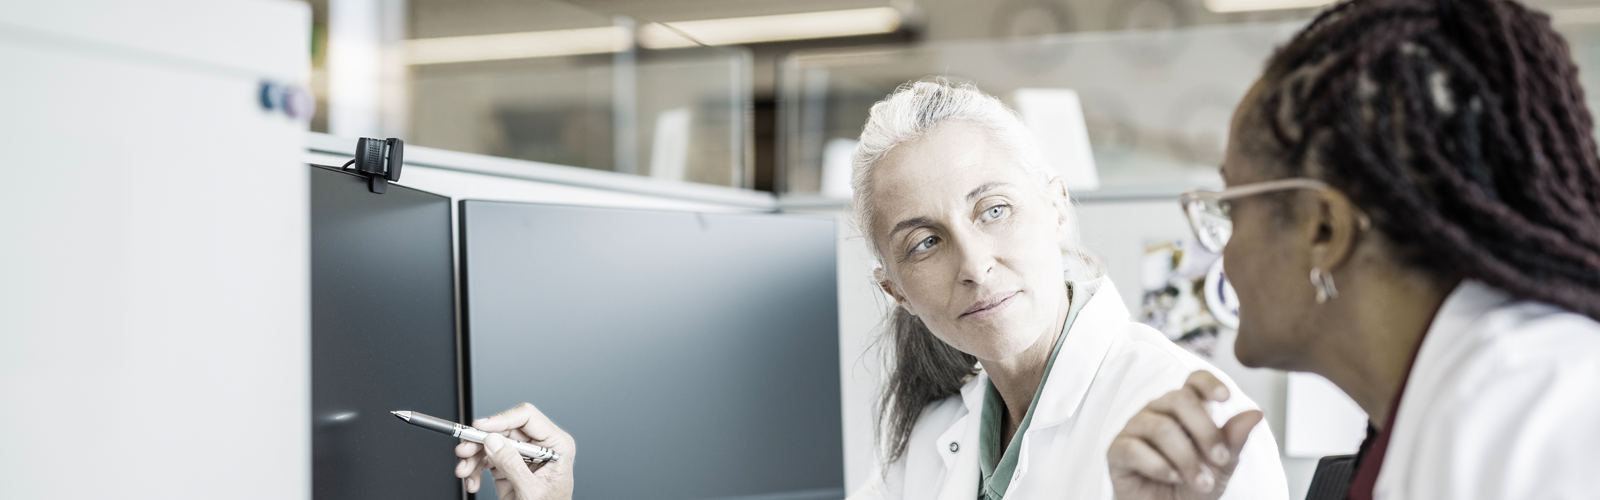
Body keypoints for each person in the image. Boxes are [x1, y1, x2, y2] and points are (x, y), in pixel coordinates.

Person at [454, 80, 1289, 500]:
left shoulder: (1187, 418)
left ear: (1057, 203)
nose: (973, 262)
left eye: (993, 210)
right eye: (924, 241)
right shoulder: (936, 441)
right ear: (894, 288)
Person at [1107, 0, 1600, 499]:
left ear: (1324, 230)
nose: (1223, 255)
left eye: (1231, 210)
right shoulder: (1429, 414)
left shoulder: (1533, 416)